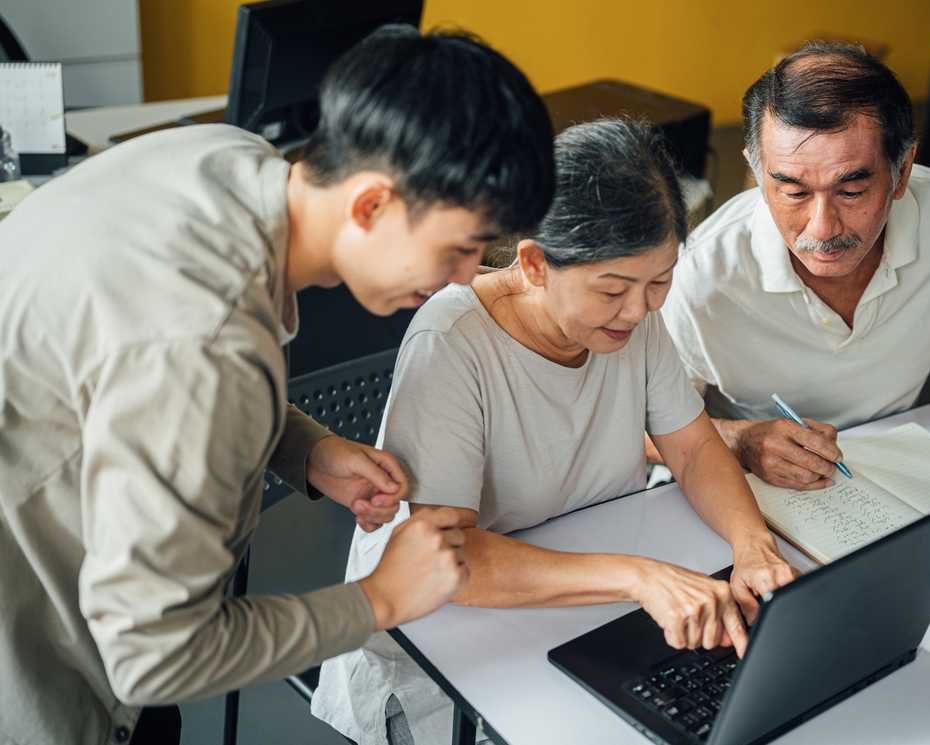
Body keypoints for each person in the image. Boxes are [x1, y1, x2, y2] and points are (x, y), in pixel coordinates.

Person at [0, 26, 555, 745]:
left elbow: (125, 373)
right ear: (370, 205)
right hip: (40, 667)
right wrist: (378, 599)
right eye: (457, 248)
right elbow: (155, 657)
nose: (464, 275)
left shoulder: (222, 157)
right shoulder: (207, 345)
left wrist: (303, 446)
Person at [312, 118, 796, 745]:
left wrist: (752, 544)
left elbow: (696, 446)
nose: (641, 309)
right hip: (440, 641)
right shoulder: (454, 341)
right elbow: (449, 555)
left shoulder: (631, 318)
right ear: (536, 264)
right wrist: (640, 575)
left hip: (579, 604)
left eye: (659, 281)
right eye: (613, 289)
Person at [656, 41, 930, 495]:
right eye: (793, 191)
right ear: (759, 170)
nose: (822, 229)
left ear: (902, 171)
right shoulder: (701, 272)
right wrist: (741, 440)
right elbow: (638, 426)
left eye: (851, 191)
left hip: (893, 468)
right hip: (745, 481)